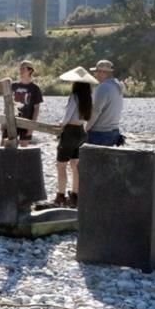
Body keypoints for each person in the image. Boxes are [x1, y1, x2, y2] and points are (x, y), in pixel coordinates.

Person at [54, 66, 97, 208]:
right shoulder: (89, 97)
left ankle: (60, 196)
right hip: (81, 131)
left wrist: (61, 125)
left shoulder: (74, 96)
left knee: (61, 165)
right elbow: (87, 117)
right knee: (75, 165)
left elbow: (68, 115)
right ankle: (75, 196)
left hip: (70, 131)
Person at [2, 59, 43, 147]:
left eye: (23, 69)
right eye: (20, 68)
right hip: (11, 120)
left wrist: (32, 127)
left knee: (23, 150)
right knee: (4, 147)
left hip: (27, 122)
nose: (21, 71)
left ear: (30, 70)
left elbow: (36, 109)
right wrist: (3, 122)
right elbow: (7, 104)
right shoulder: (14, 86)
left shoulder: (35, 89)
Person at [86, 59, 125, 146]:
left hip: (100, 133)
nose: (95, 75)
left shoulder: (103, 87)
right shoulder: (118, 85)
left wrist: (85, 129)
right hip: (114, 131)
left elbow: (96, 111)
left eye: (97, 72)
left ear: (103, 73)